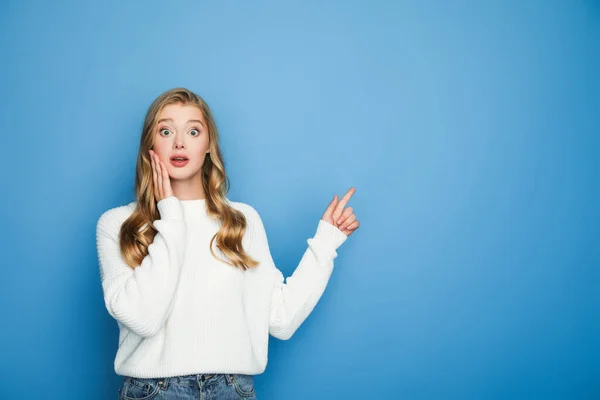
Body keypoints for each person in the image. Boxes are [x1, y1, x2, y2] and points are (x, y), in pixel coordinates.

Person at [95, 87, 360, 399]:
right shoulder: (118, 224)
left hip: (231, 391)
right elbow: (144, 319)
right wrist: (170, 213)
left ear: (209, 145)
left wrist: (326, 243)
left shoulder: (241, 220)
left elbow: (281, 320)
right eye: (165, 130)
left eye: (193, 131)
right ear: (150, 144)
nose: (179, 142)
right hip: (155, 391)